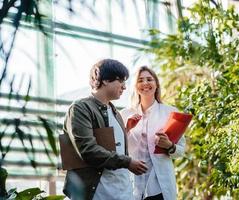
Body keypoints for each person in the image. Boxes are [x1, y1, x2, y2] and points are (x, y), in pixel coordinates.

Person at [62, 59, 148, 200]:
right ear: (106, 80)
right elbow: (88, 150)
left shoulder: (116, 113)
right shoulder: (80, 108)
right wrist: (128, 162)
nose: (124, 87)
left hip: (122, 192)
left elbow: (113, 148)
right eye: (121, 81)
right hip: (96, 193)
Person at [120, 66, 186, 200]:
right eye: (140, 80)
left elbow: (180, 151)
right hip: (132, 183)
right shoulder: (124, 114)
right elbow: (116, 148)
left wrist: (169, 145)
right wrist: (126, 130)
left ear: (156, 85)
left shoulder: (170, 113)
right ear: (135, 86)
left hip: (159, 185)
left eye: (149, 79)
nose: (145, 83)